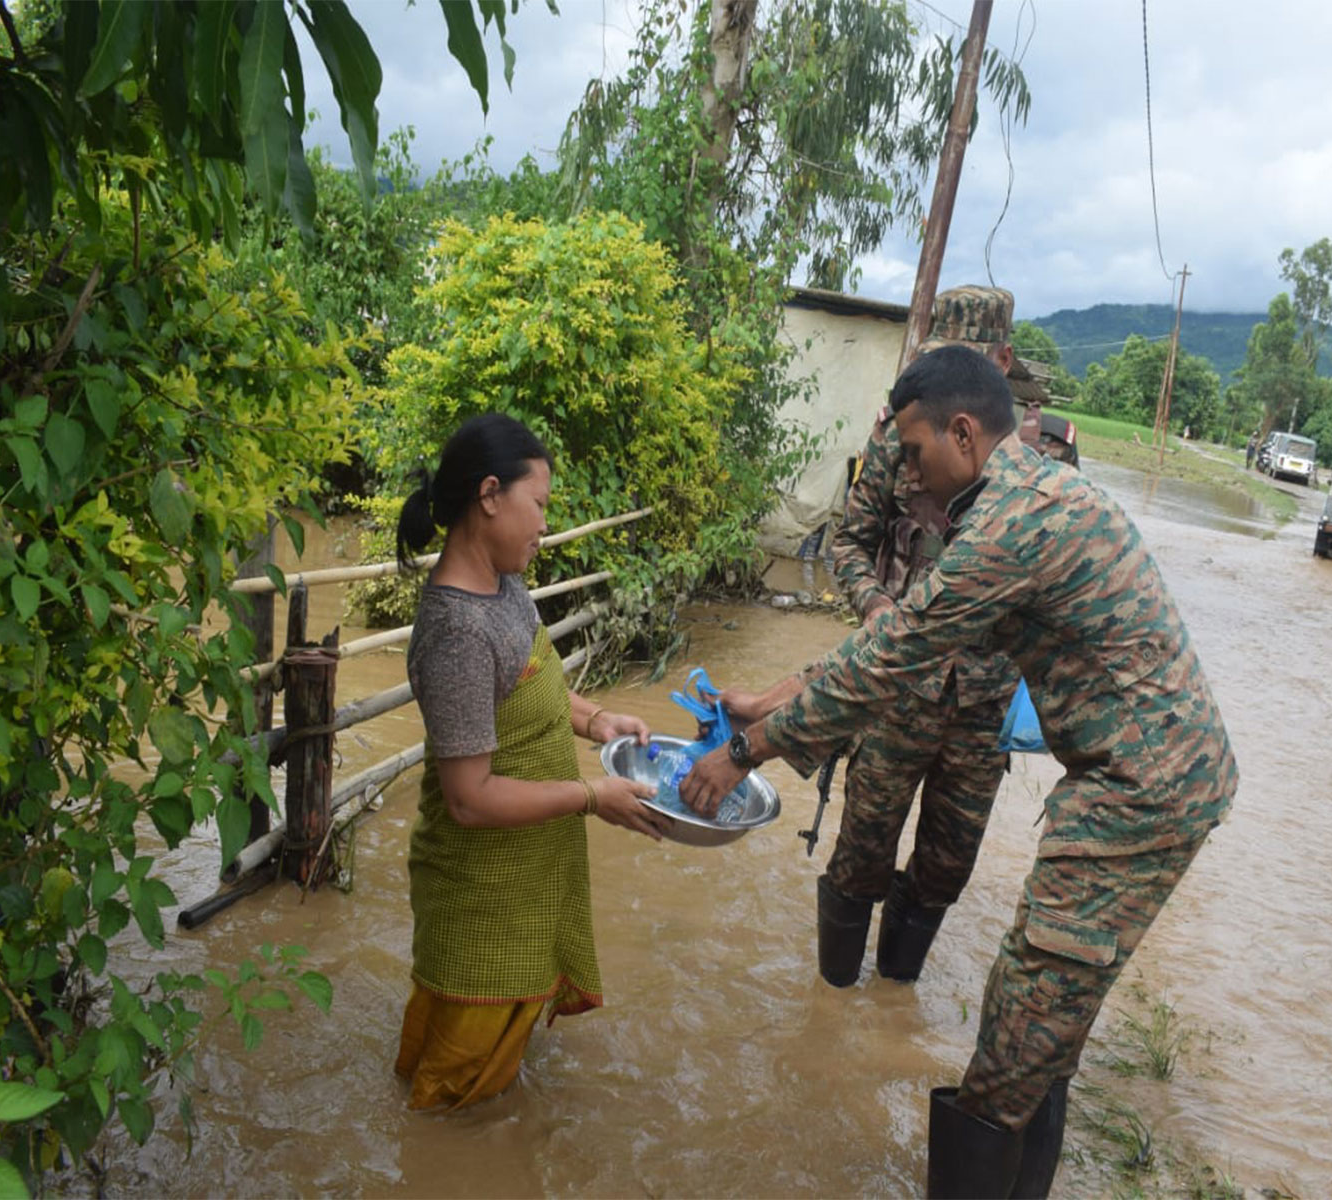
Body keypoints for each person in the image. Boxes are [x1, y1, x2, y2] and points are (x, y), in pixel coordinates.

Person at [681, 346, 1238, 1198]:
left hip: (1134, 793)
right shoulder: (1032, 497)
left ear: (965, 433)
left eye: (914, 451)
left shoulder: (1010, 526)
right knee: (1044, 1028)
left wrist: (743, 753)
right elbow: (897, 641)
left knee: (1014, 1035)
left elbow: (892, 656)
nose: (907, 471)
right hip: (1148, 781)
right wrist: (773, 698)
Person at [719, 288, 1023, 990]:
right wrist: (878, 606)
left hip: (981, 707)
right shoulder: (899, 438)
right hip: (893, 692)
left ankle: (895, 994)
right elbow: (848, 543)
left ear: (1002, 362)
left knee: (947, 864)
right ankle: (833, 1007)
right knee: (862, 850)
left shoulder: (1042, 466)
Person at [393, 412, 665, 1113]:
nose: (544, 523)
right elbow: (470, 798)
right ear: (490, 495)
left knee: (491, 1092)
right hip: (481, 897)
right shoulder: (456, 629)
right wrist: (590, 797)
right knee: (452, 1110)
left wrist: (598, 719)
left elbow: (533, 686)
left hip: (522, 880)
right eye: (538, 504)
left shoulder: (505, 587)